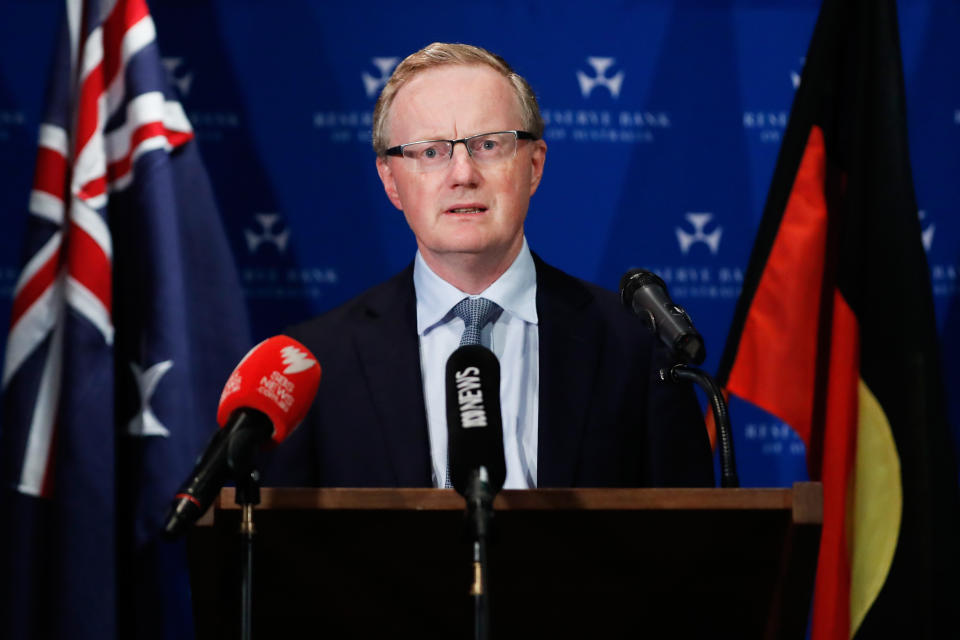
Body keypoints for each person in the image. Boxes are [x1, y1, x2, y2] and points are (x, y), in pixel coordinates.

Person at [264, 42, 713, 488]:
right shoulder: (317, 364)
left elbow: (691, 539)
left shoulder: (635, 348)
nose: (463, 174)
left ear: (534, 165)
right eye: (431, 152)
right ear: (391, 181)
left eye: (488, 145)